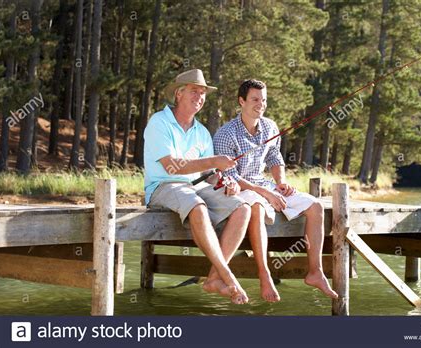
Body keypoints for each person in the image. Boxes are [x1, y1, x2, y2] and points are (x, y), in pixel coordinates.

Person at [213, 79, 338, 302]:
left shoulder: (270, 127)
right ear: (241, 101)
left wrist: (280, 182)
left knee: (316, 206)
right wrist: (265, 193)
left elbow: (274, 157)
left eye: (264, 100)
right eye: (255, 99)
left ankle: (314, 272)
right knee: (258, 207)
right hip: (239, 189)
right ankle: (264, 273)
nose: (260, 104)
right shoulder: (225, 134)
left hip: (265, 184)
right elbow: (228, 176)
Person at [144, 69, 251, 304]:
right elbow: (172, 167)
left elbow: (208, 175)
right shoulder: (158, 122)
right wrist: (214, 161)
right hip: (163, 187)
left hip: (194, 188)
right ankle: (228, 275)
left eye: (203, 93)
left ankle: (213, 278)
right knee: (198, 206)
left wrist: (225, 181)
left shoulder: (202, 132)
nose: (200, 97)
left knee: (243, 207)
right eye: (195, 91)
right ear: (179, 94)